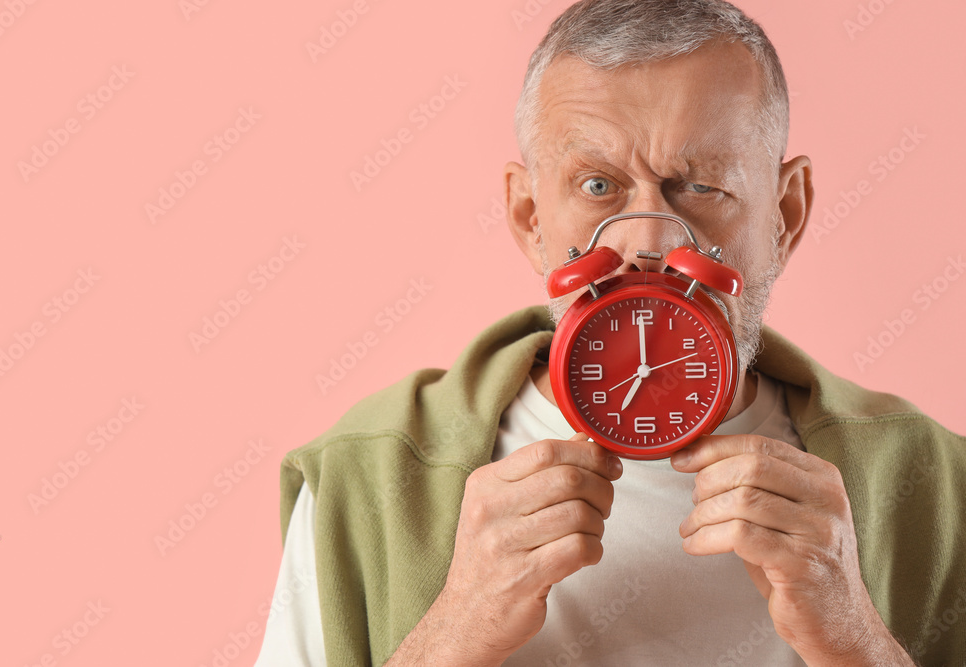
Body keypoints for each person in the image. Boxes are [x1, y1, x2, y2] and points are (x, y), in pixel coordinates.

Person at [256, 1, 966, 664]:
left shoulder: (937, 484)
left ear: (785, 214)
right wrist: (456, 627)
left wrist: (859, 639)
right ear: (532, 217)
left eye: (701, 186)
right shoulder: (367, 476)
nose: (649, 241)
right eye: (599, 186)